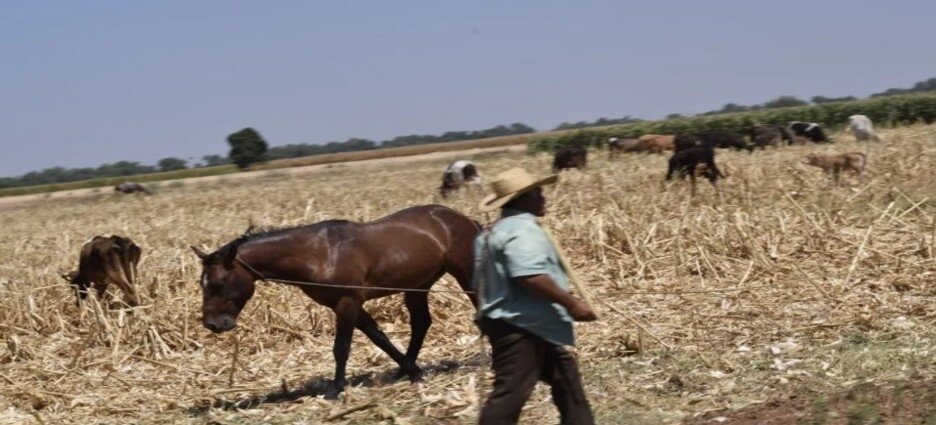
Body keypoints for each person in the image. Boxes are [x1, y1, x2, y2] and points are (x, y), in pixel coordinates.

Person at [473, 167, 597, 425]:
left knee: (568, 384)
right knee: (509, 395)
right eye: (538, 193)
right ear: (523, 199)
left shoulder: (489, 233)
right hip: (521, 327)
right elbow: (529, 276)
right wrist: (572, 303)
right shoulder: (522, 230)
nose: (543, 198)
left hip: (522, 324)